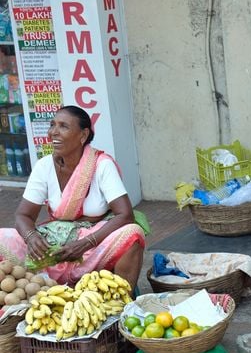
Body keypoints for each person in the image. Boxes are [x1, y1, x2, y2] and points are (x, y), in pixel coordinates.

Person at [0, 106, 146, 289]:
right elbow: (23, 215)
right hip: (57, 241)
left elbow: (125, 215)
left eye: (63, 126)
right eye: (52, 125)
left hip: (94, 241)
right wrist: (32, 237)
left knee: (132, 233)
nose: (53, 132)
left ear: (83, 136)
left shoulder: (102, 165)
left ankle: (123, 302)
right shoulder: (44, 166)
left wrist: (84, 244)